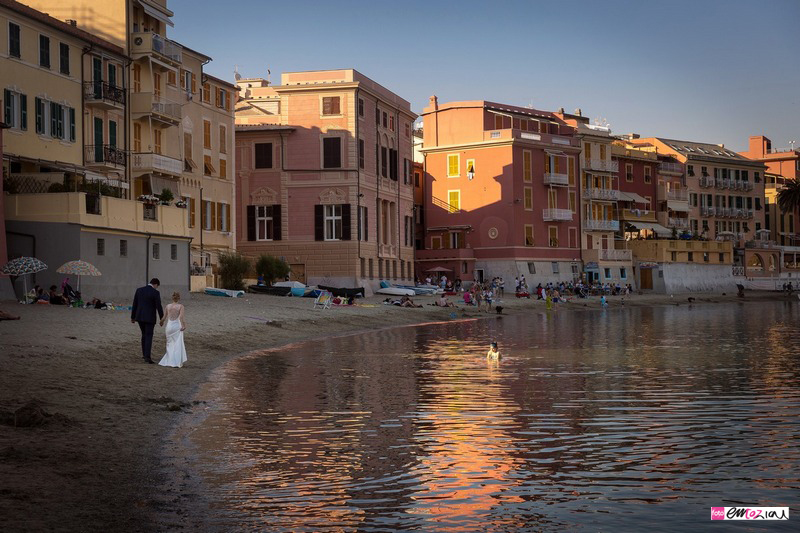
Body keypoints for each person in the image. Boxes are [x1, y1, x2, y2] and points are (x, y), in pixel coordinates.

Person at [131, 278, 164, 364]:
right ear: (156, 284)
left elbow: (135, 304)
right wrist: (162, 318)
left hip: (140, 316)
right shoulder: (155, 293)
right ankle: (147, 357)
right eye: (157, 286)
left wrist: (133, 317)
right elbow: (158, 306)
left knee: (144, 334)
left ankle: (144, 354)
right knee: (149, 335)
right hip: (150, 317)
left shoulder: (139, 290)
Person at [158, 291, 187, 368]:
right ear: (179, 298)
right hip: (177, 326)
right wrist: (184, 325)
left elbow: (164, 317)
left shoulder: (168, 306)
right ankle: (176, 361)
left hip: (169, 326)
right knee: (177, 344)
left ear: (172, 298)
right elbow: (181, 317)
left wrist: (161, 322)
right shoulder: (181, 306)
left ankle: (169, 360)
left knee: (169, 343)